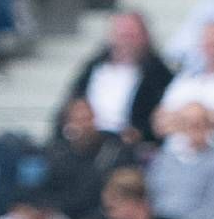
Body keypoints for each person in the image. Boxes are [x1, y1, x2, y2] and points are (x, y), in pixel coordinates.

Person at [66, 11, 173, 145]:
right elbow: (72, 102)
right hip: (88, 140)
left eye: (131, 36)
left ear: (145, 37)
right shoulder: (94, 68)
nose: (126, 41)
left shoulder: (158, 75)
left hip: (130, 144)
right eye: (121, 35)